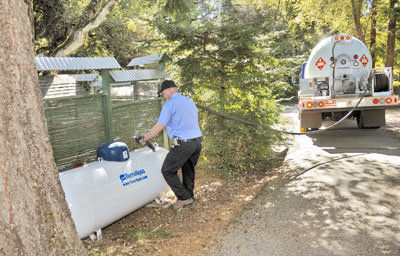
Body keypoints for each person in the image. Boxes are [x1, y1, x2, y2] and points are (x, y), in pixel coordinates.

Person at [141, 80, 202, 210]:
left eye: (163, 93)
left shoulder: (169, 105)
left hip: (184, 144)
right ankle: (189, 197)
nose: (164, 96)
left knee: (167, 170)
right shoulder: (189, 101)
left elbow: (159, 126)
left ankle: (183, 198)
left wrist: (146, 137)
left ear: (167, 90)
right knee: (188, 169)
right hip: (197, 142)